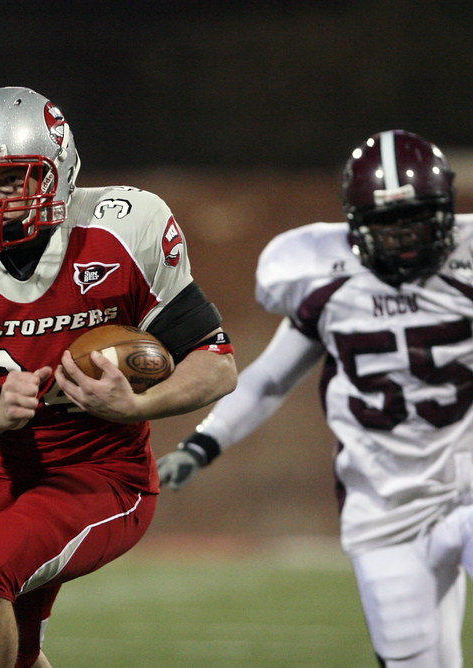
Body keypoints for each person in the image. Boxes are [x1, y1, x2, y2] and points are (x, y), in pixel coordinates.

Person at [0, 87, 238, 668]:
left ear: (59, 173)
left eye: (11, 181)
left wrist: (135, 407)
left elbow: (216, 364)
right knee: (15, 646)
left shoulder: (122, 231)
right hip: (1, 472)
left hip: (103, 472)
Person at [158, 129, 473, 667]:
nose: (403, 239)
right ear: (354, 224)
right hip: (384, 506)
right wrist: (202, 444)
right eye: (387, 225)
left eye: (417, 220)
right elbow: (268, 378)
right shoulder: (322, 277)